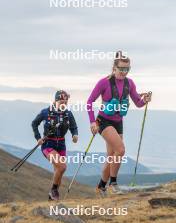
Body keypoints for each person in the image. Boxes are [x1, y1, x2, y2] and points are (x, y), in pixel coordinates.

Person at [87, 51, 152, 196]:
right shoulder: (103, 82)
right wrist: (92, 122)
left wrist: (145, 100)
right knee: (121, 150)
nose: (124, 72)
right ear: (114, 68)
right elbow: (89, 102)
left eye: (127, 69)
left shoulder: (130, 83)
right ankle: (113, 184)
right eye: (121, 69)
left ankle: (101, 187)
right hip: (103, 121)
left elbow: (138, 102)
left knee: (112, 156)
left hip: (118, 122)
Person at [32, 90, 78, 200]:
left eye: (65, 102)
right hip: (48, 144)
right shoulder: (45, 112)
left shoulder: (68, 113)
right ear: (55, 101)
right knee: (62, 167)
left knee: (59, 171)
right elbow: (34, 123)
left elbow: (74, 127)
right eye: (61, 102)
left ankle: (51, 199)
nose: (64, 104)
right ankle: (53, 190)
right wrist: (38, 138)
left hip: (61, 145)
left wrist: (74, 135)